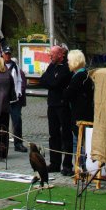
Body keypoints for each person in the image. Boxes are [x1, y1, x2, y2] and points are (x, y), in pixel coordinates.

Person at [38, 45, 72, 174]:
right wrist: (52, 81)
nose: (50, 56)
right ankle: (54, 163)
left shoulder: (66, 67)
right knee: (53, 135)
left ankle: (67, 164)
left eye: (52, 53)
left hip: (62, 105)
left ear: (60, 54)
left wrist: (51, 81)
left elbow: (55, 83)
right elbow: (43, 80)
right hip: (51, 104)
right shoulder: (51, 66)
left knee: (66, 135)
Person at [63, 49, 94, 172]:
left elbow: (68, 93)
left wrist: (66, 91)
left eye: (69, 61)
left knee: (79, 141)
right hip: (84, 112)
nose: (68, 63)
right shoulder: (85, 74)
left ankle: (81, 166)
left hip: (80, 114)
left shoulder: (79, 76)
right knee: (82, 141)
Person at [2, 45, 27, 152]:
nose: (7, 55)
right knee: (2, 122)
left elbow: (19, 81)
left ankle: (18, 143)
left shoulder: (15, 66)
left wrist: (18, 92)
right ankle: (2, 144)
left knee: (17, 121)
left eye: (9, 54)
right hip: (3, 99)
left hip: (14, 99)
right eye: (6, 53)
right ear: (2, 54)